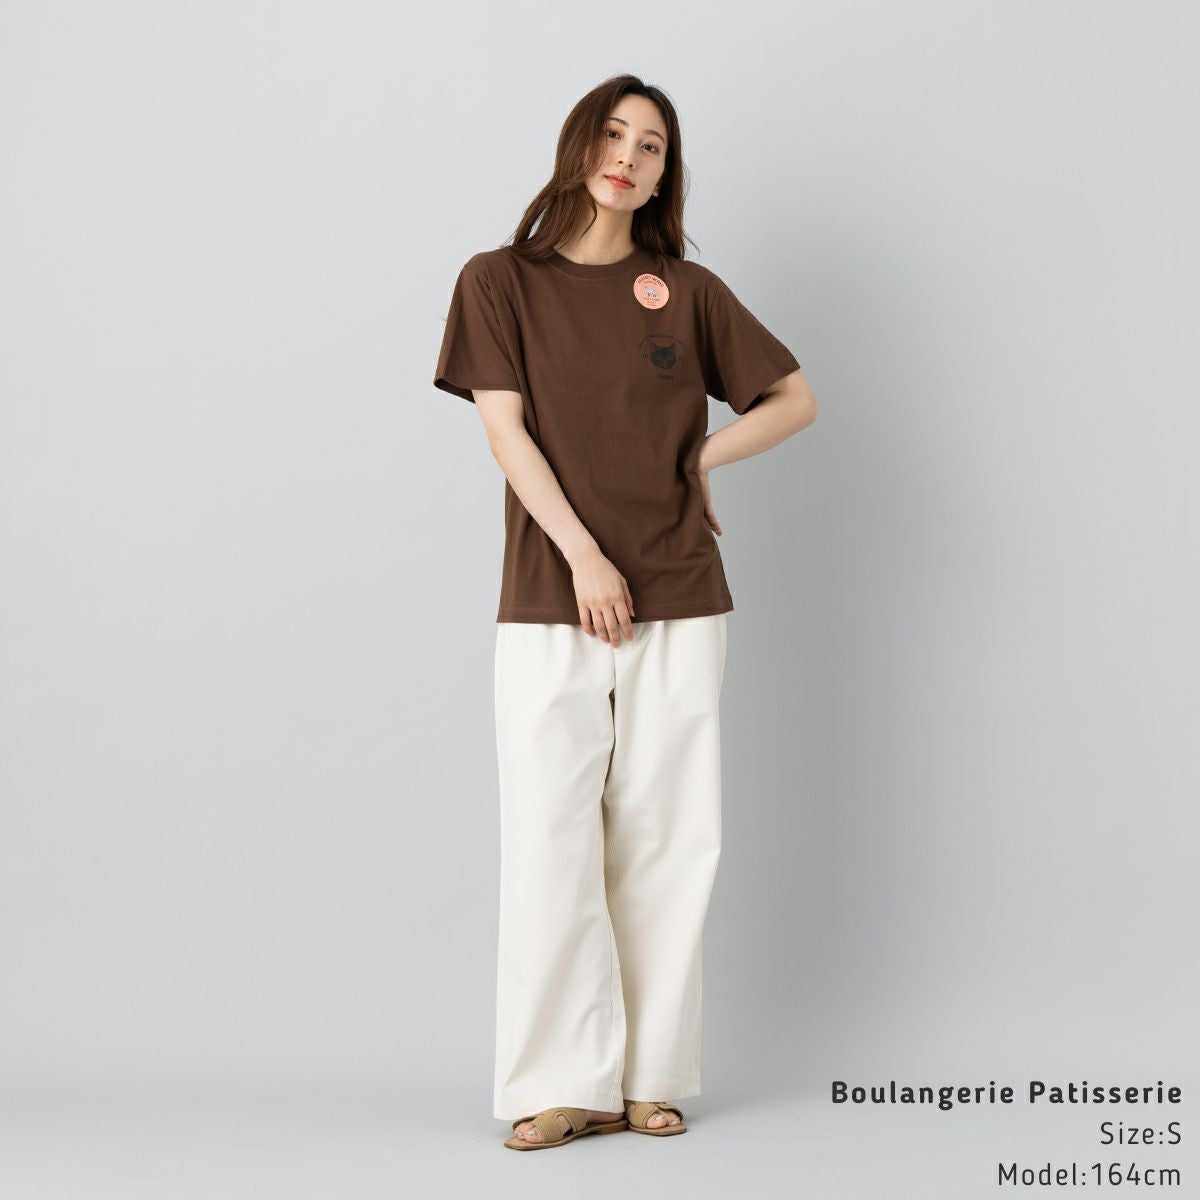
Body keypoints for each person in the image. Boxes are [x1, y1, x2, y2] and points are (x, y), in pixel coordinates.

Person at [432, 73, 817, 1151]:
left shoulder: (687, 291)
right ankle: (563, 1080)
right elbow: (506, 433)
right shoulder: (498, 281)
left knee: (667, 837)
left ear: (663, 176)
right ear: (579, 144)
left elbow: (795, 399)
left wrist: (702, 459)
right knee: (550, 837)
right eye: (614, 133)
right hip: (552, 596)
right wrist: (586, 558)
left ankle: (648, 1077)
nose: (629, 156)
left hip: (681, 593)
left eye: (651, 146)